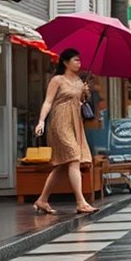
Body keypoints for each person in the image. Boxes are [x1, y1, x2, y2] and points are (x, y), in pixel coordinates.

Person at [32, 49, 98, 214]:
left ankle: (42, 200)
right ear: (65, 62)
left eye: (79, 60)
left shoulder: (78, 80)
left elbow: (82, 103)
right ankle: (80, 202)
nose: (79, 63)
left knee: (63, 164)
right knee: (74, 156)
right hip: (60, 121)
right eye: (76, 60)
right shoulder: (57, 80)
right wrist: (41, 121)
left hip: (75, 122)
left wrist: (84, 92)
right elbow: (48, 102)